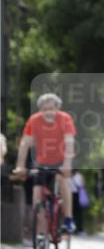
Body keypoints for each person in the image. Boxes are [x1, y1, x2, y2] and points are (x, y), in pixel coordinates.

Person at [14, 93, 77, 233]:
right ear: (40, 110)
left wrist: (67, 164)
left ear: (57, 109)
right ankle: (41, 231)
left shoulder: (65, 118)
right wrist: (20, 166)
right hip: (42, 161)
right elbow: (25, 143)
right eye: (44, 109)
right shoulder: (34, 120)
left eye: (51, 109)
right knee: (37, 194)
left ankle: (68, 218)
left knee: (62, 180)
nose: (48, 112)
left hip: (62, 159)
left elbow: (69, 142)